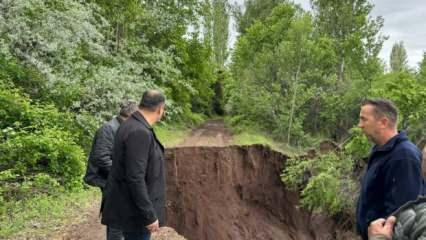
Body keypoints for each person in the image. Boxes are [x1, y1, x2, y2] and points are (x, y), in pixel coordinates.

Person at [101, 90, 166, 240]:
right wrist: (149, 215)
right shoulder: (139, 131)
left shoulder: (130, 124)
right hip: (135, 213)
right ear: (160, 109)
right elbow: (135, 177)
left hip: (130, 207)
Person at [356, 99, 423, 240]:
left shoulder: (404, 156)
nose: (359, 125)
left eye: (364, 120)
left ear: (383, 122)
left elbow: (406, 215)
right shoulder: (380, 150)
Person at [84, 100, 138, 240]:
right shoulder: (108, 129)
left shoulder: (124, 128)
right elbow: (101, 158)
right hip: (112, 181)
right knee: (117, 224)